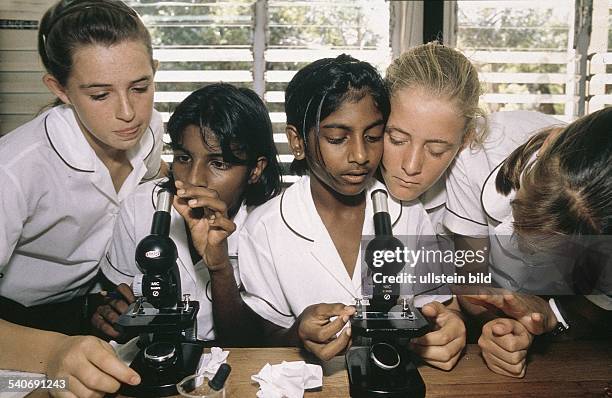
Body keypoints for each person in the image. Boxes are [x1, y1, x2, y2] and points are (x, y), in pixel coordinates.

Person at [380, 41, 610, 378]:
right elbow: (471, 283)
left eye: (438, 148)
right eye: (397, 139)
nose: (412, 165)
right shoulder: (479, 160)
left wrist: (546, 315)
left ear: (465, 138)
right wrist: (494, 317)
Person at [238, 54, 466, 370]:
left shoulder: (409, 214)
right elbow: (260, 334)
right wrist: (298, 334)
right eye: (337, 138)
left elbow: (436, 307)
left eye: (373, 136)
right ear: (298, 141)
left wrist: (449, 327)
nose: (360, 155)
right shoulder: (264, 227)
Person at [0, 0, 163, 396]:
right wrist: (53, 350)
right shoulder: (15, 168)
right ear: (61, 89)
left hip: (86, 314)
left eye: (140, 87)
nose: (129, 113)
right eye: (100, 94)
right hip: (15, 328)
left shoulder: (152, 131)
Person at [94, 83, 282, 344]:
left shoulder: (270, 224)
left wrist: (220, 268)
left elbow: (250, 342)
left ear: (255, 170)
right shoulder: (139, 206)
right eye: (183, 158)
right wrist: (113, 312)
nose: (194, 179)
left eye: (218, 163)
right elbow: (118, 295)